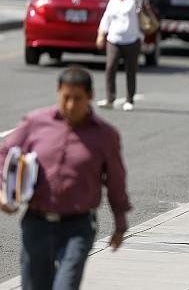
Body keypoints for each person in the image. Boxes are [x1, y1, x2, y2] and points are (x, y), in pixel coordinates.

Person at [0, 68, 131, 290]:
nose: (71, 105)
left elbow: (116, 181)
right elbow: (4, 154)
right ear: (58, 92)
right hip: (36, 223)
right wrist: (4, 192)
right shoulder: (35, 123)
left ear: (90, 96)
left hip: (77, 227)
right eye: (66, 98)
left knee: (65, 285)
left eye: (78, 99)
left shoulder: (105, 136)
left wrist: (120, 224)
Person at [96, 0, 145, 112]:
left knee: (131, 70)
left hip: (132, 41)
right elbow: (106, 18)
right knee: (110, 67)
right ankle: (110, 99)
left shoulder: (134, 1)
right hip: (114, 40)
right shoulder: (113, 1)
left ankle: (130, 99)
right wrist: (101, 35)